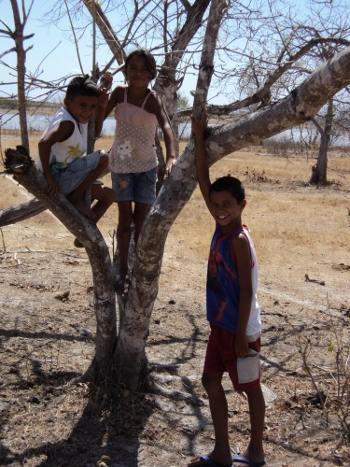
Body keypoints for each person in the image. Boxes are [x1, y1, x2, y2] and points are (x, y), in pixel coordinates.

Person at [189, 112, 265, 467]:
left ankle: (256, 450)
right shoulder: (221, 226)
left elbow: (247, 293)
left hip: (240, 328)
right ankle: (221, 451)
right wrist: (197, 134)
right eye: (215, 205)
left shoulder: (237, 239)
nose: (218, 210)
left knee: (249, 387)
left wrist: (239, 337)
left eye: (226, 206)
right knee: (209, 380)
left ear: (241, 206)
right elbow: (203, 180)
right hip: (221, 324)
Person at [96, 49, 176, 292]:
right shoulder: (119, 93)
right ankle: (120, 271)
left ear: (151, 73)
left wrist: (172, 156)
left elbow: (166, 127)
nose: (138, 73)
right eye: (133, 68)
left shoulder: (151, 99)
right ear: (126, 71)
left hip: (146, 168)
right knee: (124, 220)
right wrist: (102, 96)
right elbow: (99, 121)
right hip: (121, 164)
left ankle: (137, 271)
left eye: (143, 69)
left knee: (141, 221)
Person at [38, 75, 115, 236]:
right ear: (67, 102)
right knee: (104, 158)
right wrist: (49, 178)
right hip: (58, 180)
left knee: (109, 195)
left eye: (92, 107)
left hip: (68, 174)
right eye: (83, 105)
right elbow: (43, 143)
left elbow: (96, 132)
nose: (87, 111)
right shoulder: (67, 124)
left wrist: (101, 107)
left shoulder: (75, 115)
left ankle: (84, 236)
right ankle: (77, 197)